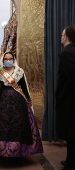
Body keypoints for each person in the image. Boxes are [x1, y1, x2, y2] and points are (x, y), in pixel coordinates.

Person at [0, 52, 43, 157]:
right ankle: (0, 149)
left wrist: (28, 99)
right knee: (2, 124)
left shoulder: (20, 71)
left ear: (14, 59)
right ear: (3, 60)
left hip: (18, 102)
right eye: (6, 59)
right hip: (2, 101)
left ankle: (17, 150)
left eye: (10, 58)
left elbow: (23, 86)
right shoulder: (0, 71)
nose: (8, 60)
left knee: (17, 124)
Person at [56, 26, 75, 170]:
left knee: (71, 133)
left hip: (69, 100)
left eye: (63, 35)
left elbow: (71, 77)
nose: (61, 37)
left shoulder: (66, 52)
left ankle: (70, 164)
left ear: (66, 36)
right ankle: (69, 159)